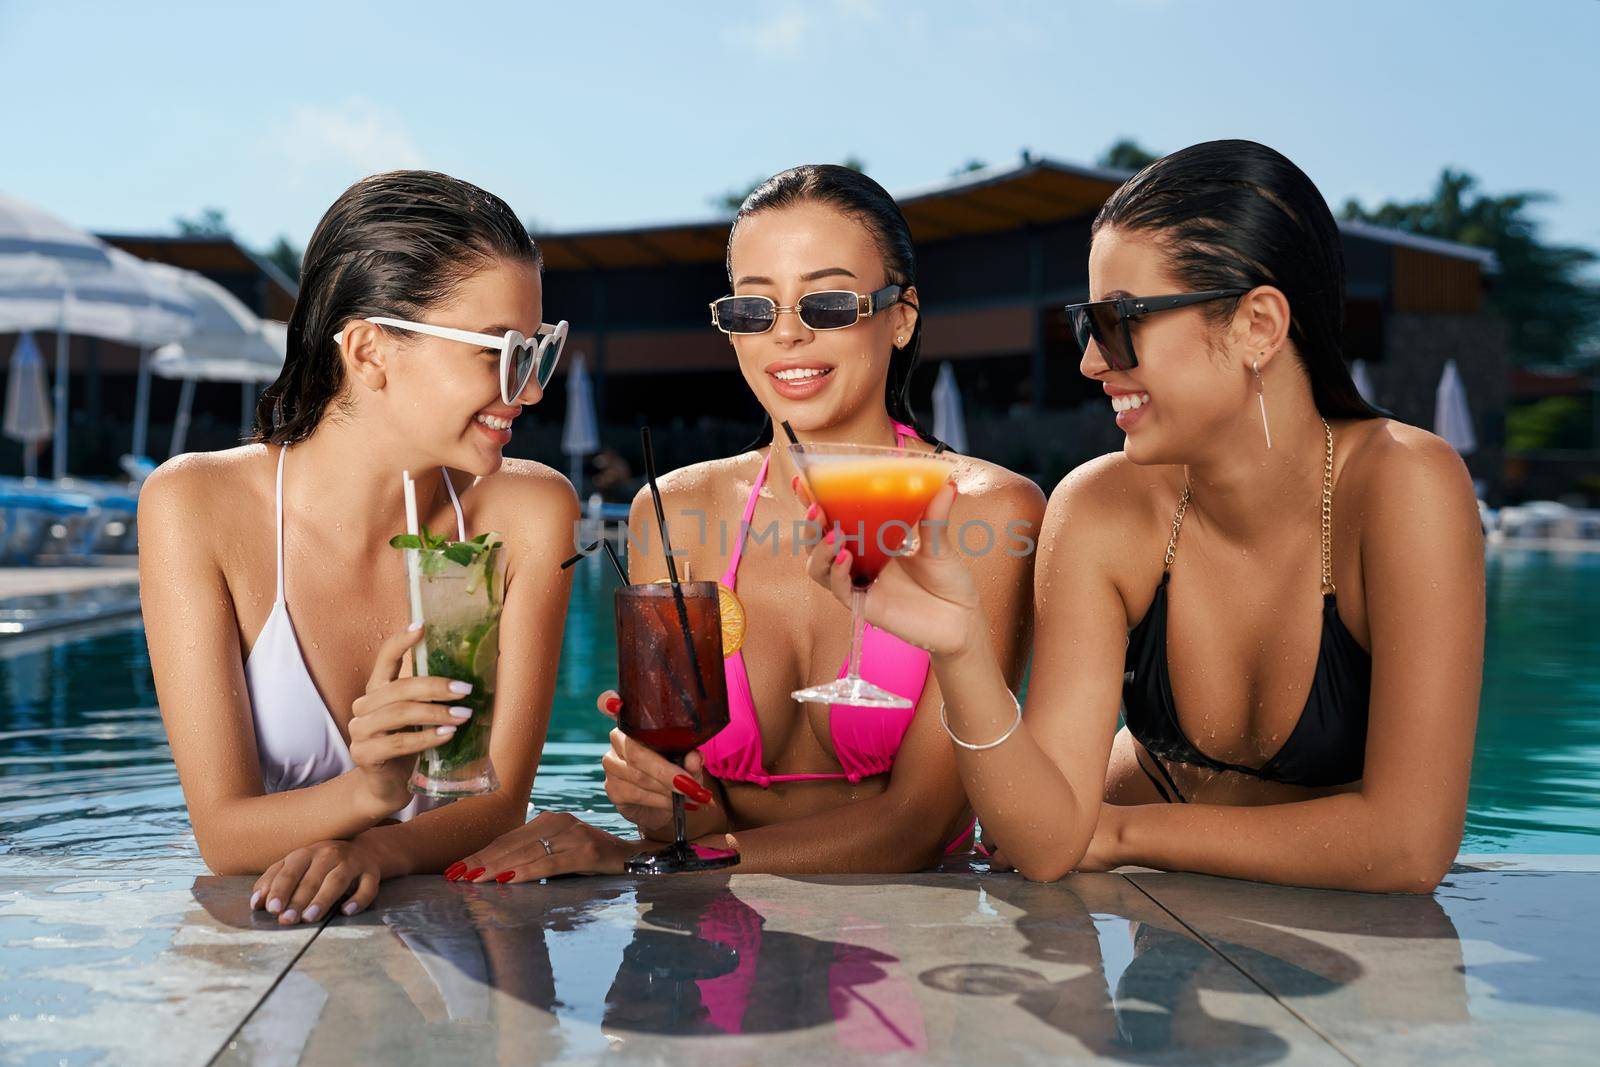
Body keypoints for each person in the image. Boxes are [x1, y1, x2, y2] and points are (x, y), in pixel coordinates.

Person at [801, 141, 1484, 893]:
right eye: (1084, 323)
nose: (1093, 361)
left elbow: (1409, 847)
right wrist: (959, 647)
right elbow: (1045, 843)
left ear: (1258, 324)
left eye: (1118, 321)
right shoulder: (1100, 507)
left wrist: (1123, 830)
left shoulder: (1401, 486)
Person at [449, 164, 1044, 882]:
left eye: (825, 303)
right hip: (722, 939)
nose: (787, 337)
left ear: (902, 315)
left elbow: (919, 823)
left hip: (912, 955)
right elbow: (684, 811)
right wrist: (659, 793)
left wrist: (654, 861)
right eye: (755, 310)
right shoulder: (674, 511)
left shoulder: (987, 511)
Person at [138, 170, 578, 921]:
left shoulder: (529, 512)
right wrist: (369, 793)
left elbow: (502, 800)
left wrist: (376, 846)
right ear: (370, 349)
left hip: (456, 960)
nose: (530, 390)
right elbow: (223, 832)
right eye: (499, 353)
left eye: (536, 351)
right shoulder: (197, 505)